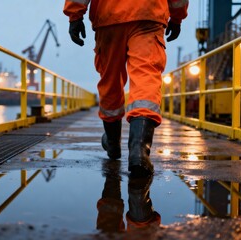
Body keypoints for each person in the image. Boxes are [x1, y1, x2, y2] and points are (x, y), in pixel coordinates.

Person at [64, 0, 188, 177]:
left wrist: (75, 16)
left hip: (109, 16)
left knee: (110, 81)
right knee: (146, 76)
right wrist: (177, 18)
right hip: (149, 13)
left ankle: (113, 143)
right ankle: (139, 151)